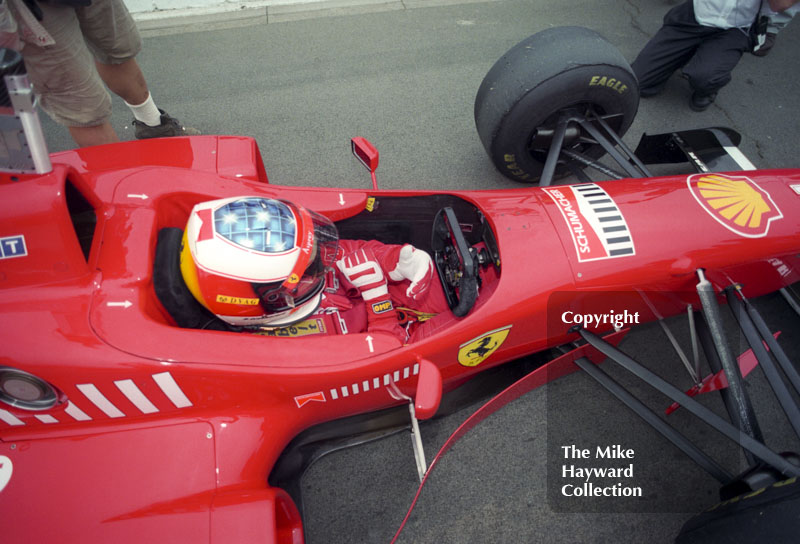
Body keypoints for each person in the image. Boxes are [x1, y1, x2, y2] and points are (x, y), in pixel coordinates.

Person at [179, 196, 450, 343]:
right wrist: (377, 299)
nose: (321, 260)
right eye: (308, 269)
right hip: (402, 338)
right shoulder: (275, 347)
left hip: (410, 297)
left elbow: (348, 251)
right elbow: (379, 356)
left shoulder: (296, 261)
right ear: (269, 299)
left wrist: (395, 260)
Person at [4, 0, 199, 147]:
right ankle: (121, 184)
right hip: (29, 8)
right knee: (80, 101)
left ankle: (153, 126)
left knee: (118, 49)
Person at [631, 0, 800, 111]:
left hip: (738, 25)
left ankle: (708, 88)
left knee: (705, 77)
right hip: (697, 14)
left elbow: (780, 4)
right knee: (636, 84)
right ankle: (684, 53)